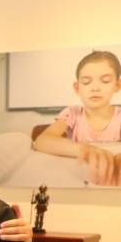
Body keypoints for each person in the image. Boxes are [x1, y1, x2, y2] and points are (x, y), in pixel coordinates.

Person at [33, 50, 121, 185]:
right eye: (86, 82)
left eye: (105, 81)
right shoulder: (72, 113)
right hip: (79, 177)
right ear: (77, 88)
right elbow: (42, 141)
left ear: (117, 85)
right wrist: (84, 150)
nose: (95, 88)